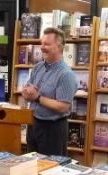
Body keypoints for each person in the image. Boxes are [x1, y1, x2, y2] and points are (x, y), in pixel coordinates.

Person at [22, 27, 77, 156]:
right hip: (34, 124)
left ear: (60, 47)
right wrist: (26, 92)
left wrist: (37, 97)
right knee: (31, 166)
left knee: (51, 170)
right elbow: (27, 91)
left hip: (53, 129)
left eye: (47, 44)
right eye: (42, 43)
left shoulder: (66, 74)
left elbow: (63, 107)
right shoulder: (38, 67)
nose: (42, 47)